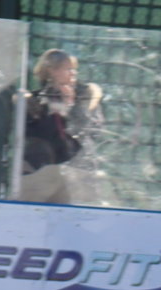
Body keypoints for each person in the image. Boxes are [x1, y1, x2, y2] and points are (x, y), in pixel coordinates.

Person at [17, 49, 103, 203]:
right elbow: (38, 138)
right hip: (42, 174)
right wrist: (51, 108)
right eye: (68, 69)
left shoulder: (85, 99)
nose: (73, 74)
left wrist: (73, 107)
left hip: (78, 174)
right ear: (52, 70)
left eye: (74, 70)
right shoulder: (35, 102)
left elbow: (93, 132)